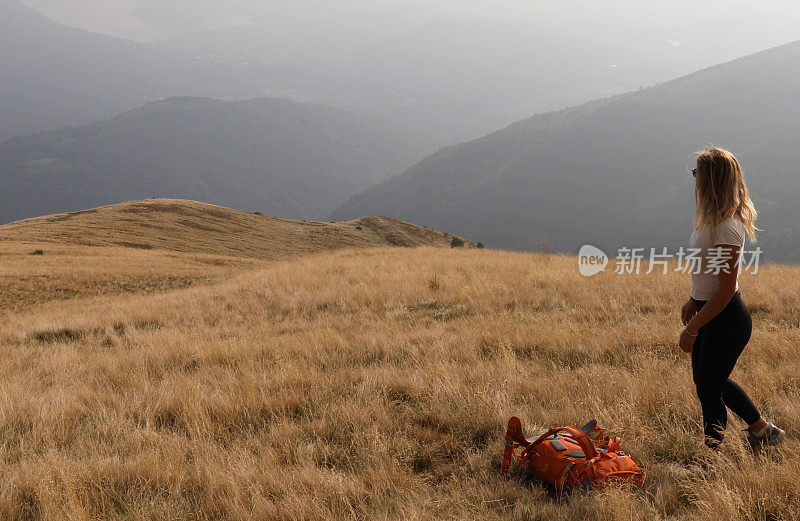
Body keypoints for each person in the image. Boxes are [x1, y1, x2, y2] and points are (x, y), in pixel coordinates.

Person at [679, 147, 784, 449]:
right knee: (709, 383)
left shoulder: (727, 227)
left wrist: (692, 328)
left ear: (712, 180)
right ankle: (764, 432)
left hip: (725, 319)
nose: (695, 179)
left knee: (709, 388)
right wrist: (692, 298)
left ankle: (712, 457)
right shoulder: (711, 220)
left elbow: (726, 289)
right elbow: (709, 274)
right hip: (709, 311)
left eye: (698, 173)